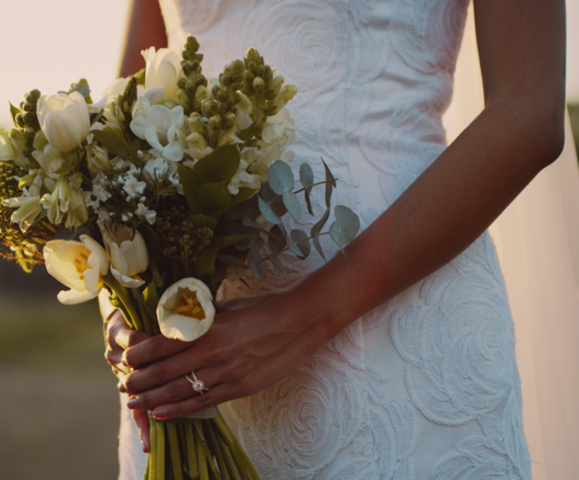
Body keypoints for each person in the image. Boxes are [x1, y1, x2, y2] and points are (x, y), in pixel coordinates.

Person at [103, 0, 567, 478]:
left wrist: (296, 322)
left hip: (394, 328)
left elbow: (528, 110)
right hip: (192, 351)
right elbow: (126, 118)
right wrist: (126, 302)